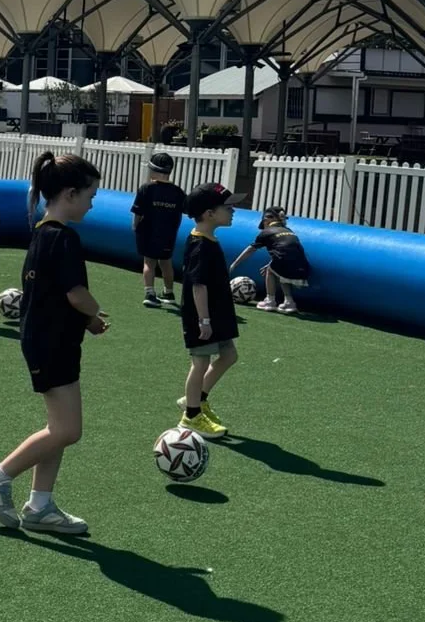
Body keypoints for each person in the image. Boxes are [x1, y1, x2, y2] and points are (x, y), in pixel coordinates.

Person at [0, 152, 105, 536]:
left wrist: (84, 319)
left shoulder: (43, 233)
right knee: (68, 431)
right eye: (90, 195)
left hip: (49, 339)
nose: (92, 203)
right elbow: (76, 294)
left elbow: (55, 293)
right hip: (52, 343)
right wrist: (95, 314)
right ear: (70, 193)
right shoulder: (63, 238)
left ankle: (40, 506)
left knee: (57, 427)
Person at [178, 182, 239, 435]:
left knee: (229, 355)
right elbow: (198, 285)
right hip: (202, 316)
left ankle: (197, 399)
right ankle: (191, 415)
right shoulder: (200, 244)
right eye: (228, 207)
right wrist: (203, 320)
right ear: (209, 214)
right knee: (200, 362)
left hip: (217, 313)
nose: (233, 211)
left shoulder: (210, 240)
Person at [131, 149, 186, 310]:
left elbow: (138, 212)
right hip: (168, 234)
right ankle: (168, 293)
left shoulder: (146, 188)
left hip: (148, 232)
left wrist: (135, 226)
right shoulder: (178, 192)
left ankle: (150, 293)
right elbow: (184, 211)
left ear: (153, 170)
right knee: (166, 262)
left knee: (149, 262)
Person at [232, 206, 311, 313]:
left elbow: (250, 250)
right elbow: (288, 251)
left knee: (271, 270)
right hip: (303, 268)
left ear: (267, 219)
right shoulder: (288, 230)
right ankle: (289, 302)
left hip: (286, 266)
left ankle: (270, 301)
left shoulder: (266, 232)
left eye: (263, 224)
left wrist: (234, 264)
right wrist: (272, 263)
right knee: (280, 272)